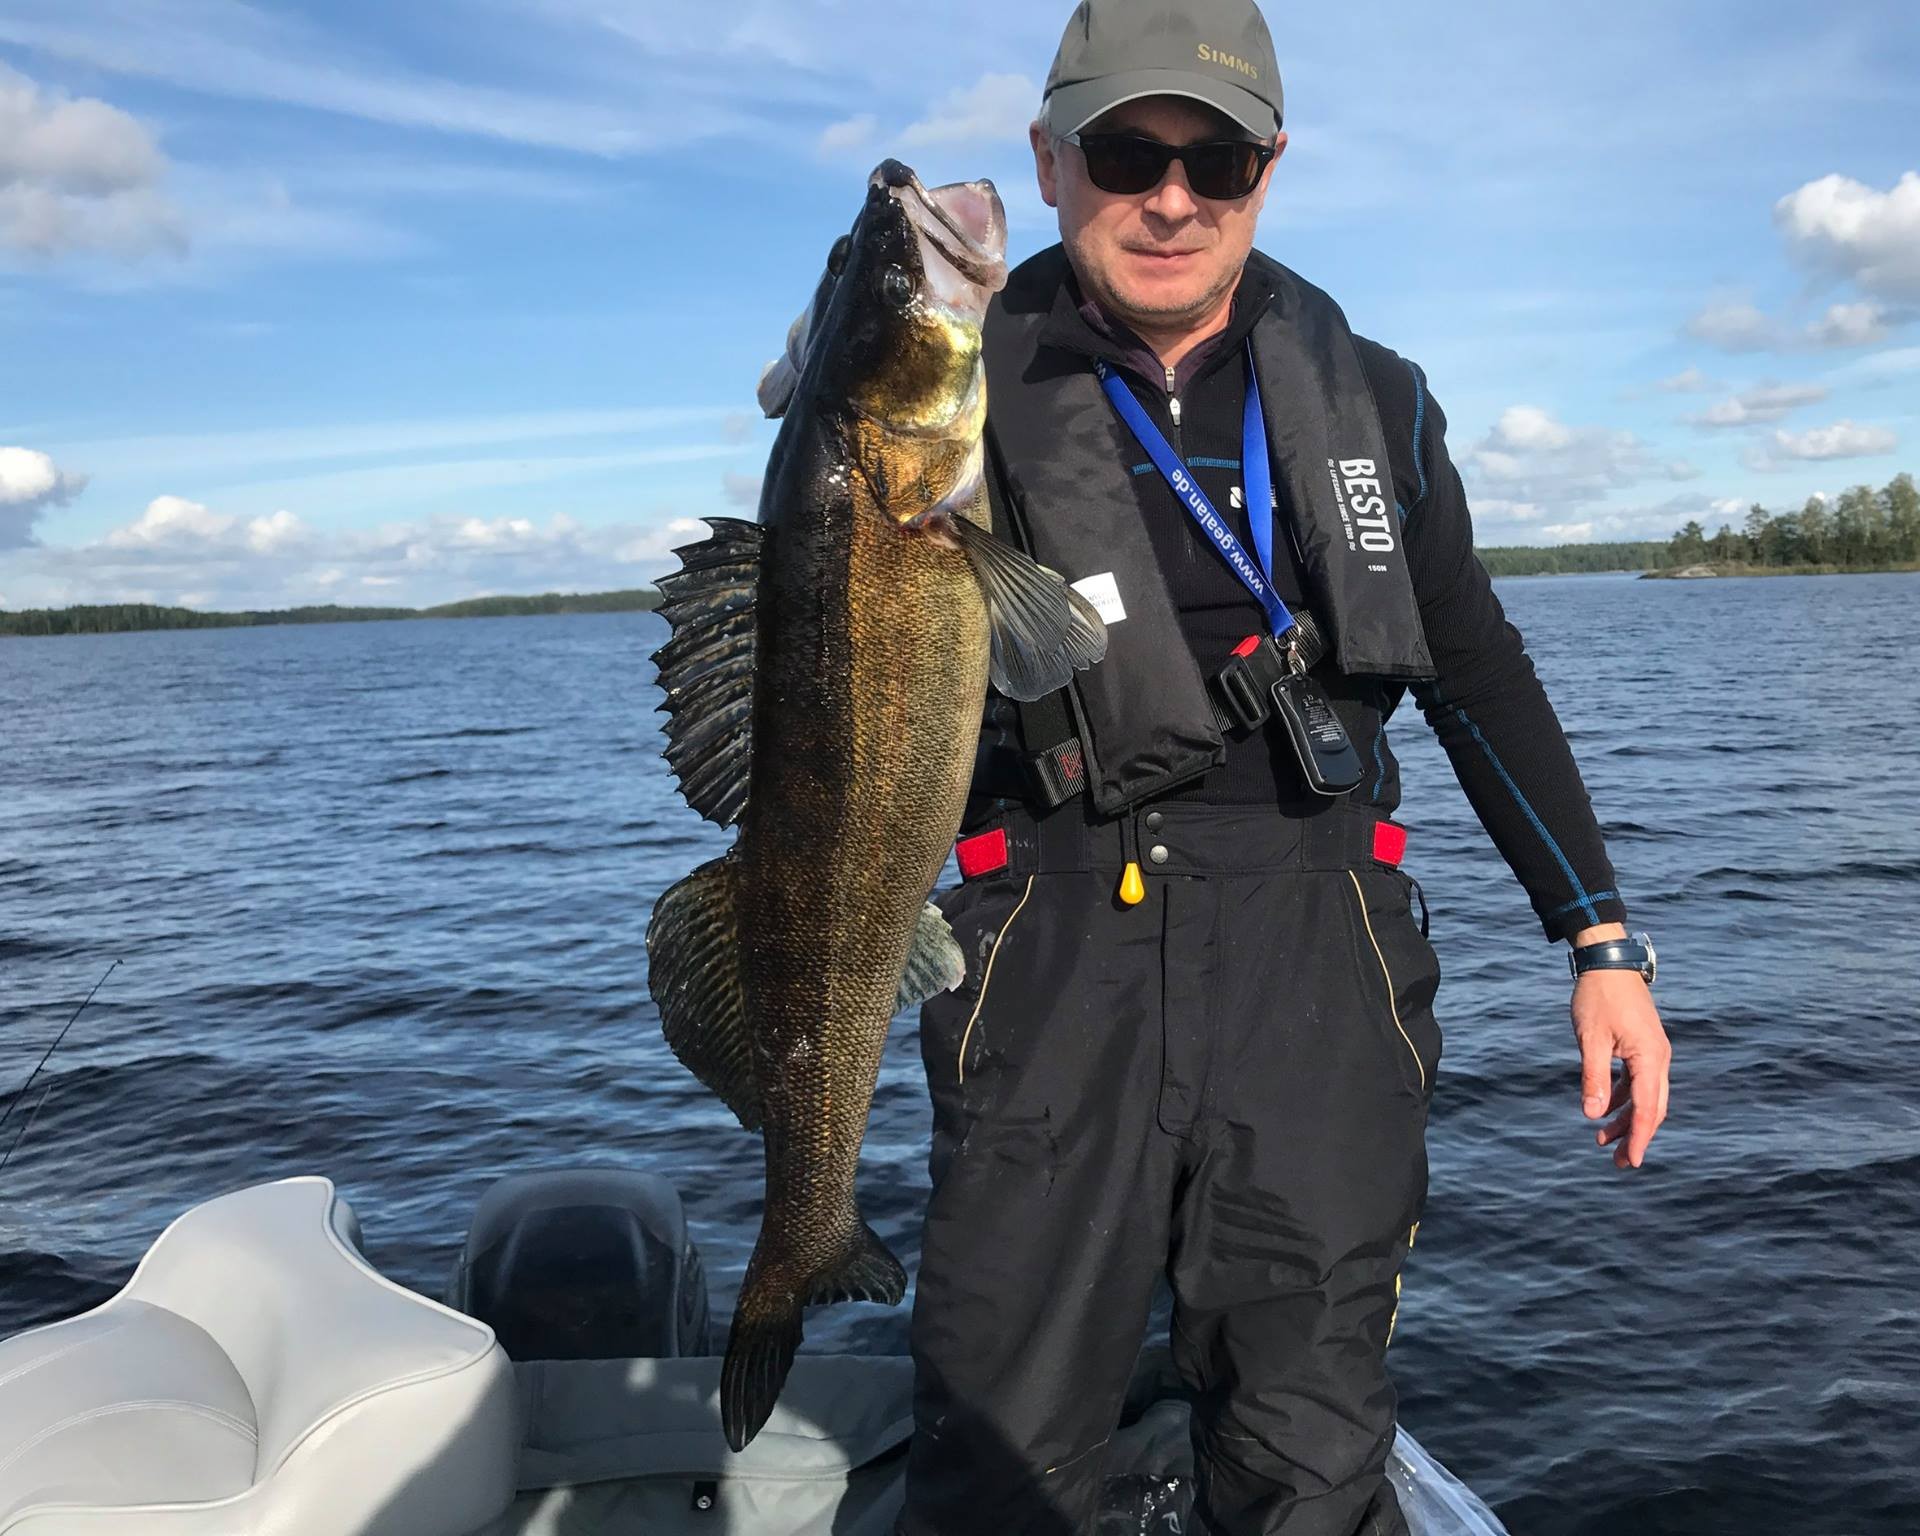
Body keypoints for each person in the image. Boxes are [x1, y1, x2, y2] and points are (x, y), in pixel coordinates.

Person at [901, 1, 1674, 1532]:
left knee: (1313, 1447)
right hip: (1044, 940)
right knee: (1000, 1434)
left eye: (1220, 158)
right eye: (1129, 153)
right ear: (1052, 163)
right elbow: (821, 558)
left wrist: (1599, 940)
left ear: (1271, 170)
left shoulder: (1372, 396)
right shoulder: (945, 380)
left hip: (1321, 941)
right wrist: (837, 376)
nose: (1173, 197)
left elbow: (1475, 666)